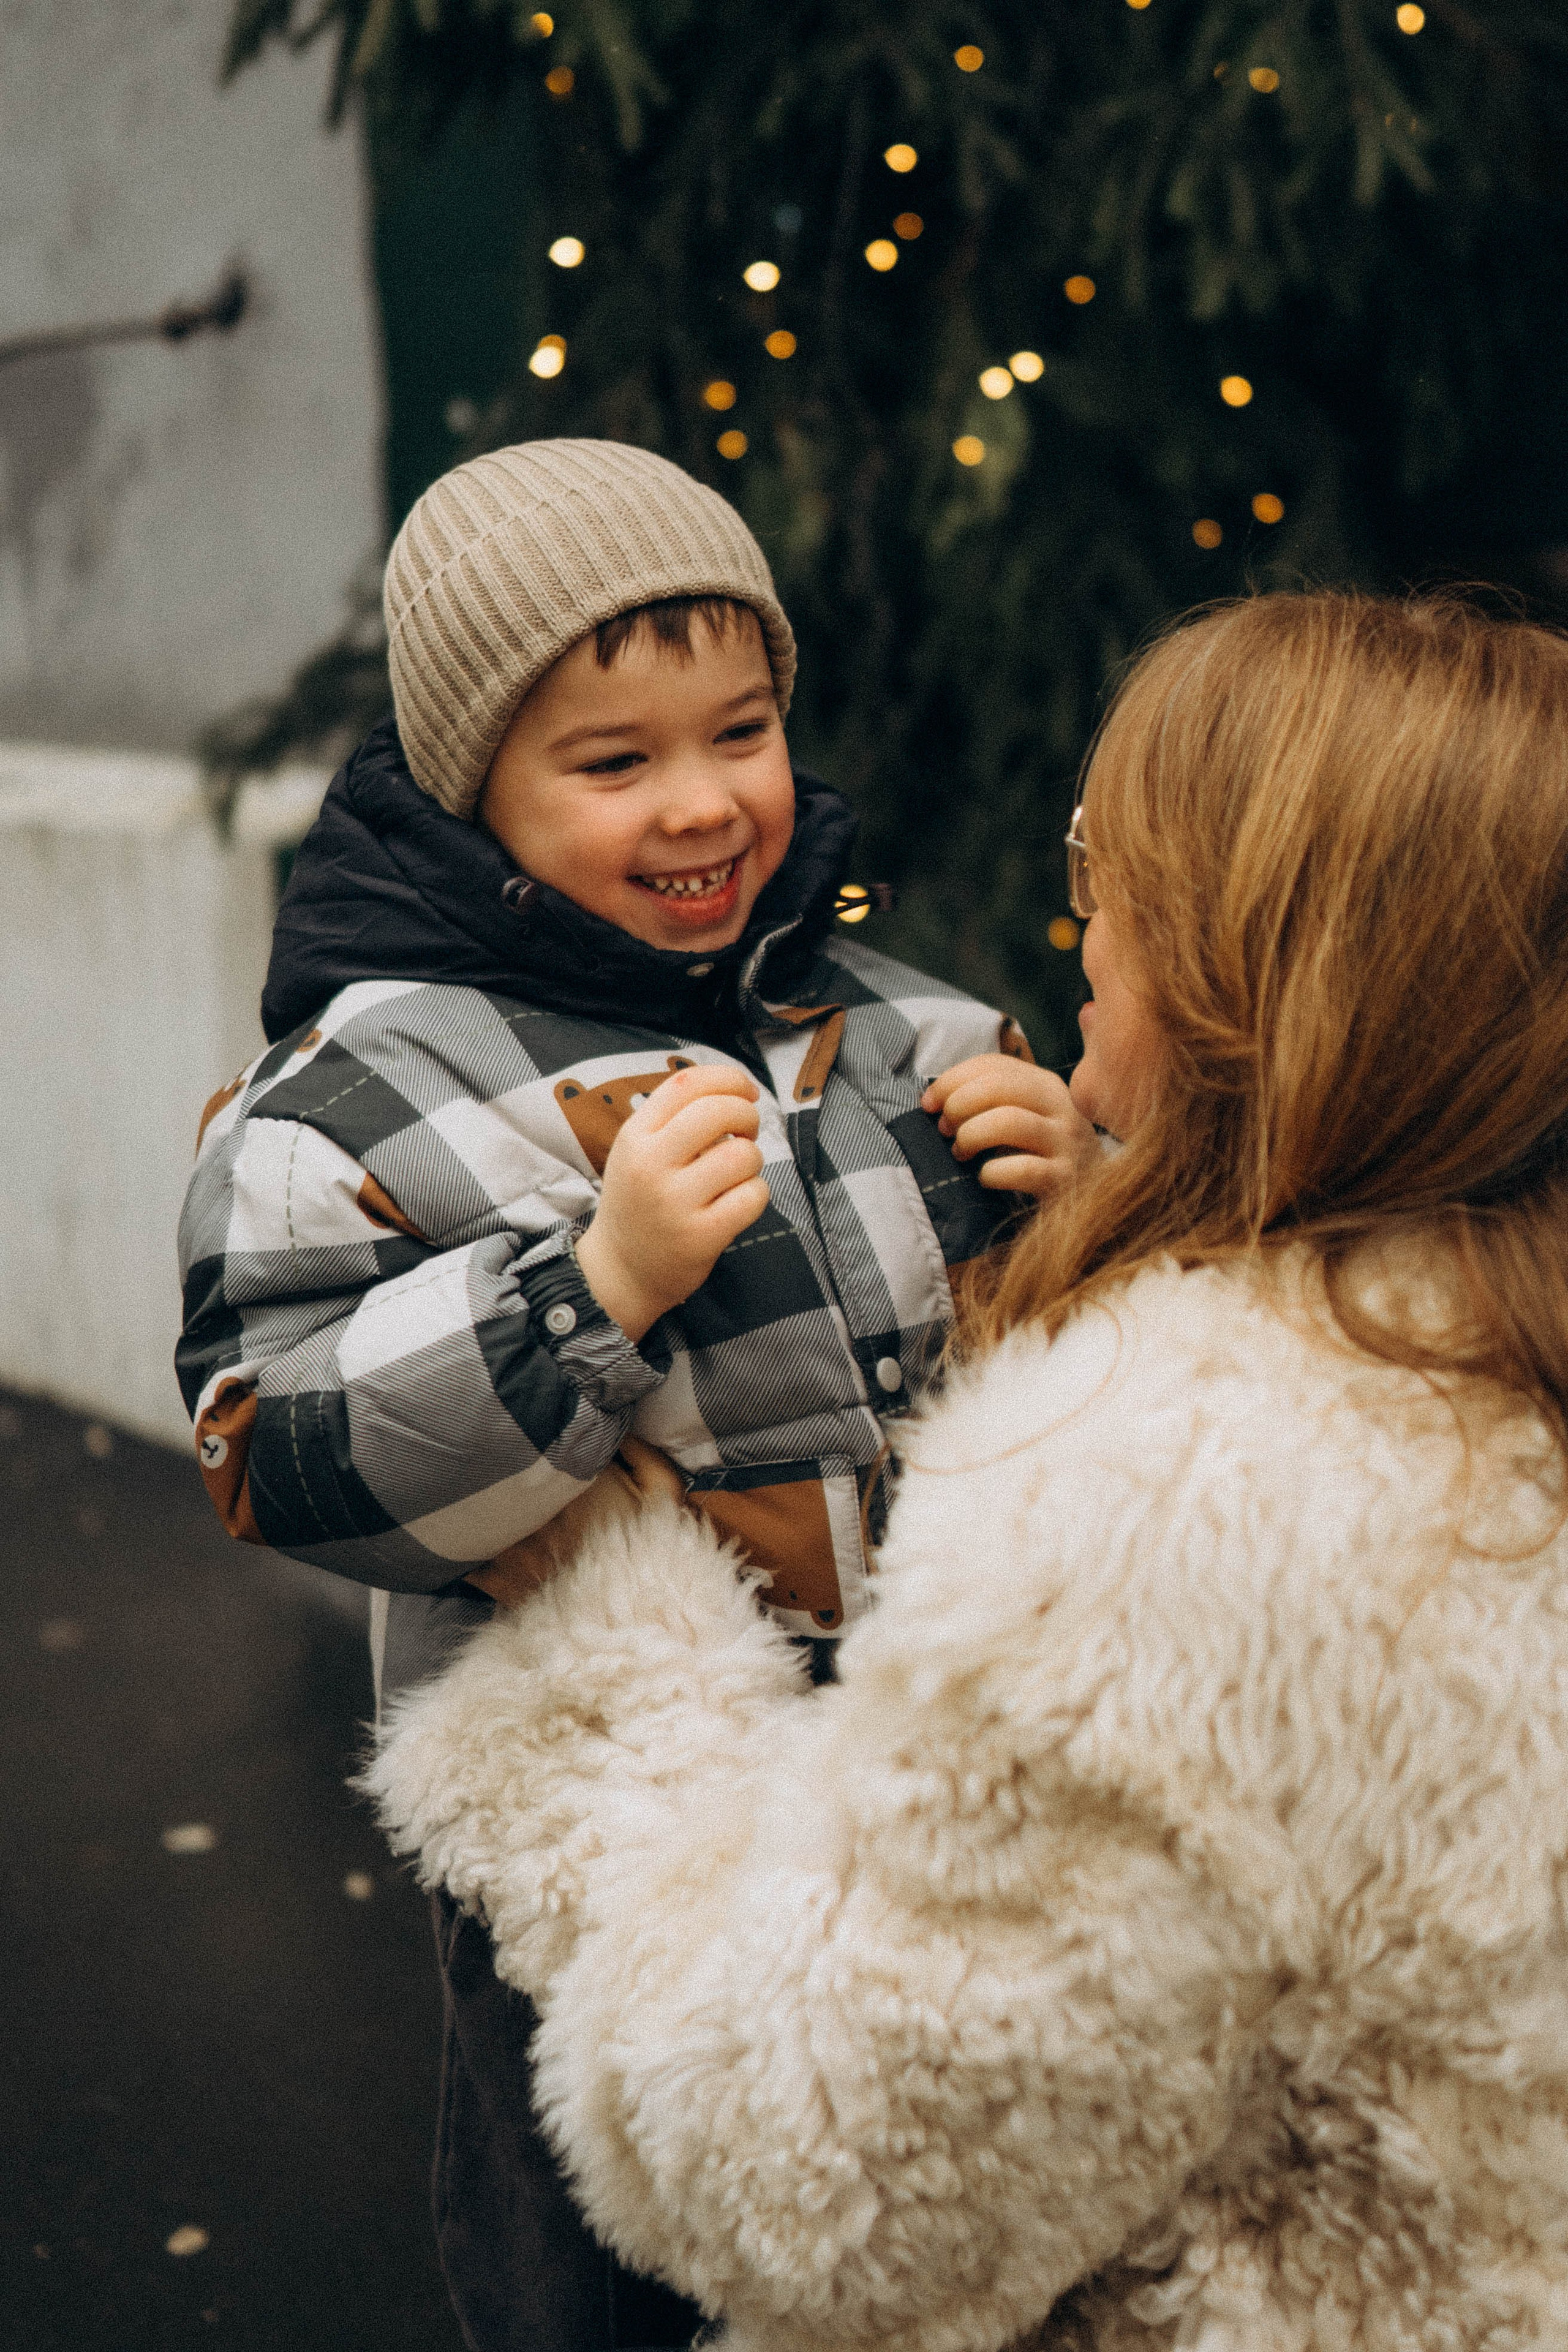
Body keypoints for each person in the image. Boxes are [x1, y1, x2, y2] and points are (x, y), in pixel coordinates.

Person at [369, 589, 1568, 2351]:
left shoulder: (1177, 1499)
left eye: (1114, 861)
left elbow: (824, 2190)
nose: (1077, 917)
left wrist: (602, 1665)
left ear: (1254, 951)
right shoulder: (1474, 1362)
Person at [175, 439, 1096, 2351]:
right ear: (469, 787)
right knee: (606, 2267)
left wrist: (1087, 1196)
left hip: (931, 1801)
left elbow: (1057, 1408)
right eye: (615, 763)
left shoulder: (906, 1029)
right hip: (596, 1846)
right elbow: (288, 1452)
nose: (704, 803)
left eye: (741, 729)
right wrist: (585, 1294)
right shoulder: (356, 1103)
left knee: (939, 2247)